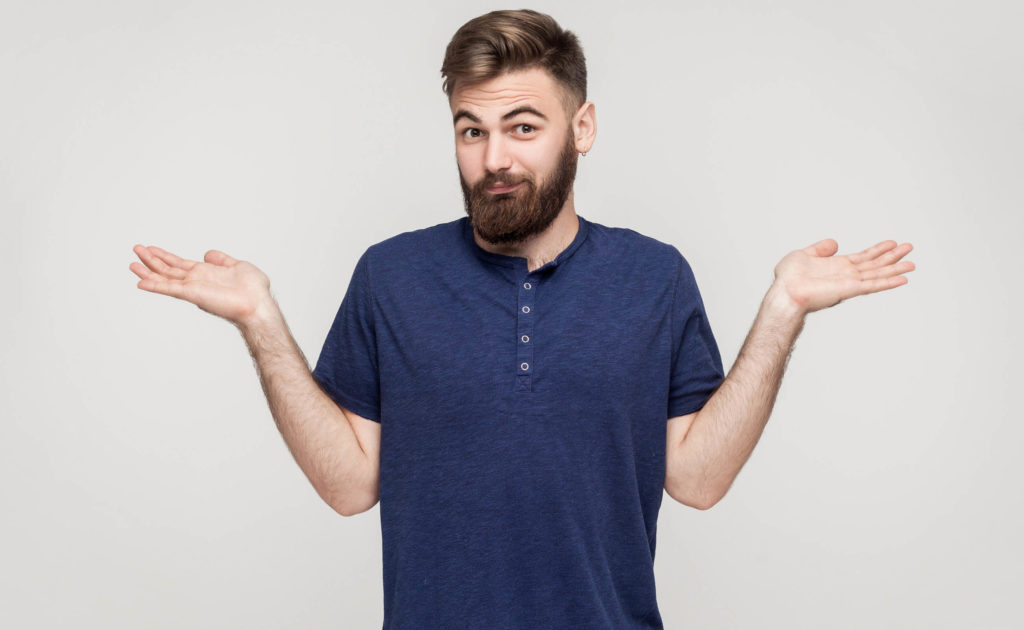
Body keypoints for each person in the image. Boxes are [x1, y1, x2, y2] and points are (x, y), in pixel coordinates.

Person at [129, 9, 915, 630]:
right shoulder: (390, 276)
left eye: (522, 127)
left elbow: (698, 479)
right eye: (472, 130)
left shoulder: (655, 277)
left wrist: (782, 313)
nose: (494, 157)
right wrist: (260, 322)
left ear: (583, 128)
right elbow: (348, 485)